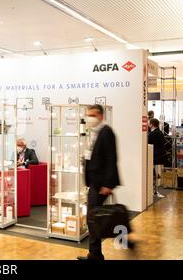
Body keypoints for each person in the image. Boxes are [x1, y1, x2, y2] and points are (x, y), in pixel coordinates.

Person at [77, 104, 120, 260]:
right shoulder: (95, 132)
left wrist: (108, 184)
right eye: (88, 114)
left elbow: (111, 158)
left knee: (93, 218)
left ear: (101, 116)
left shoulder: (107, 132)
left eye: (92, 115)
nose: (89, 118)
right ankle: (94, 253)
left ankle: (95, 255)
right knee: (93, 218)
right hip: (95, 183)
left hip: (101, 184)